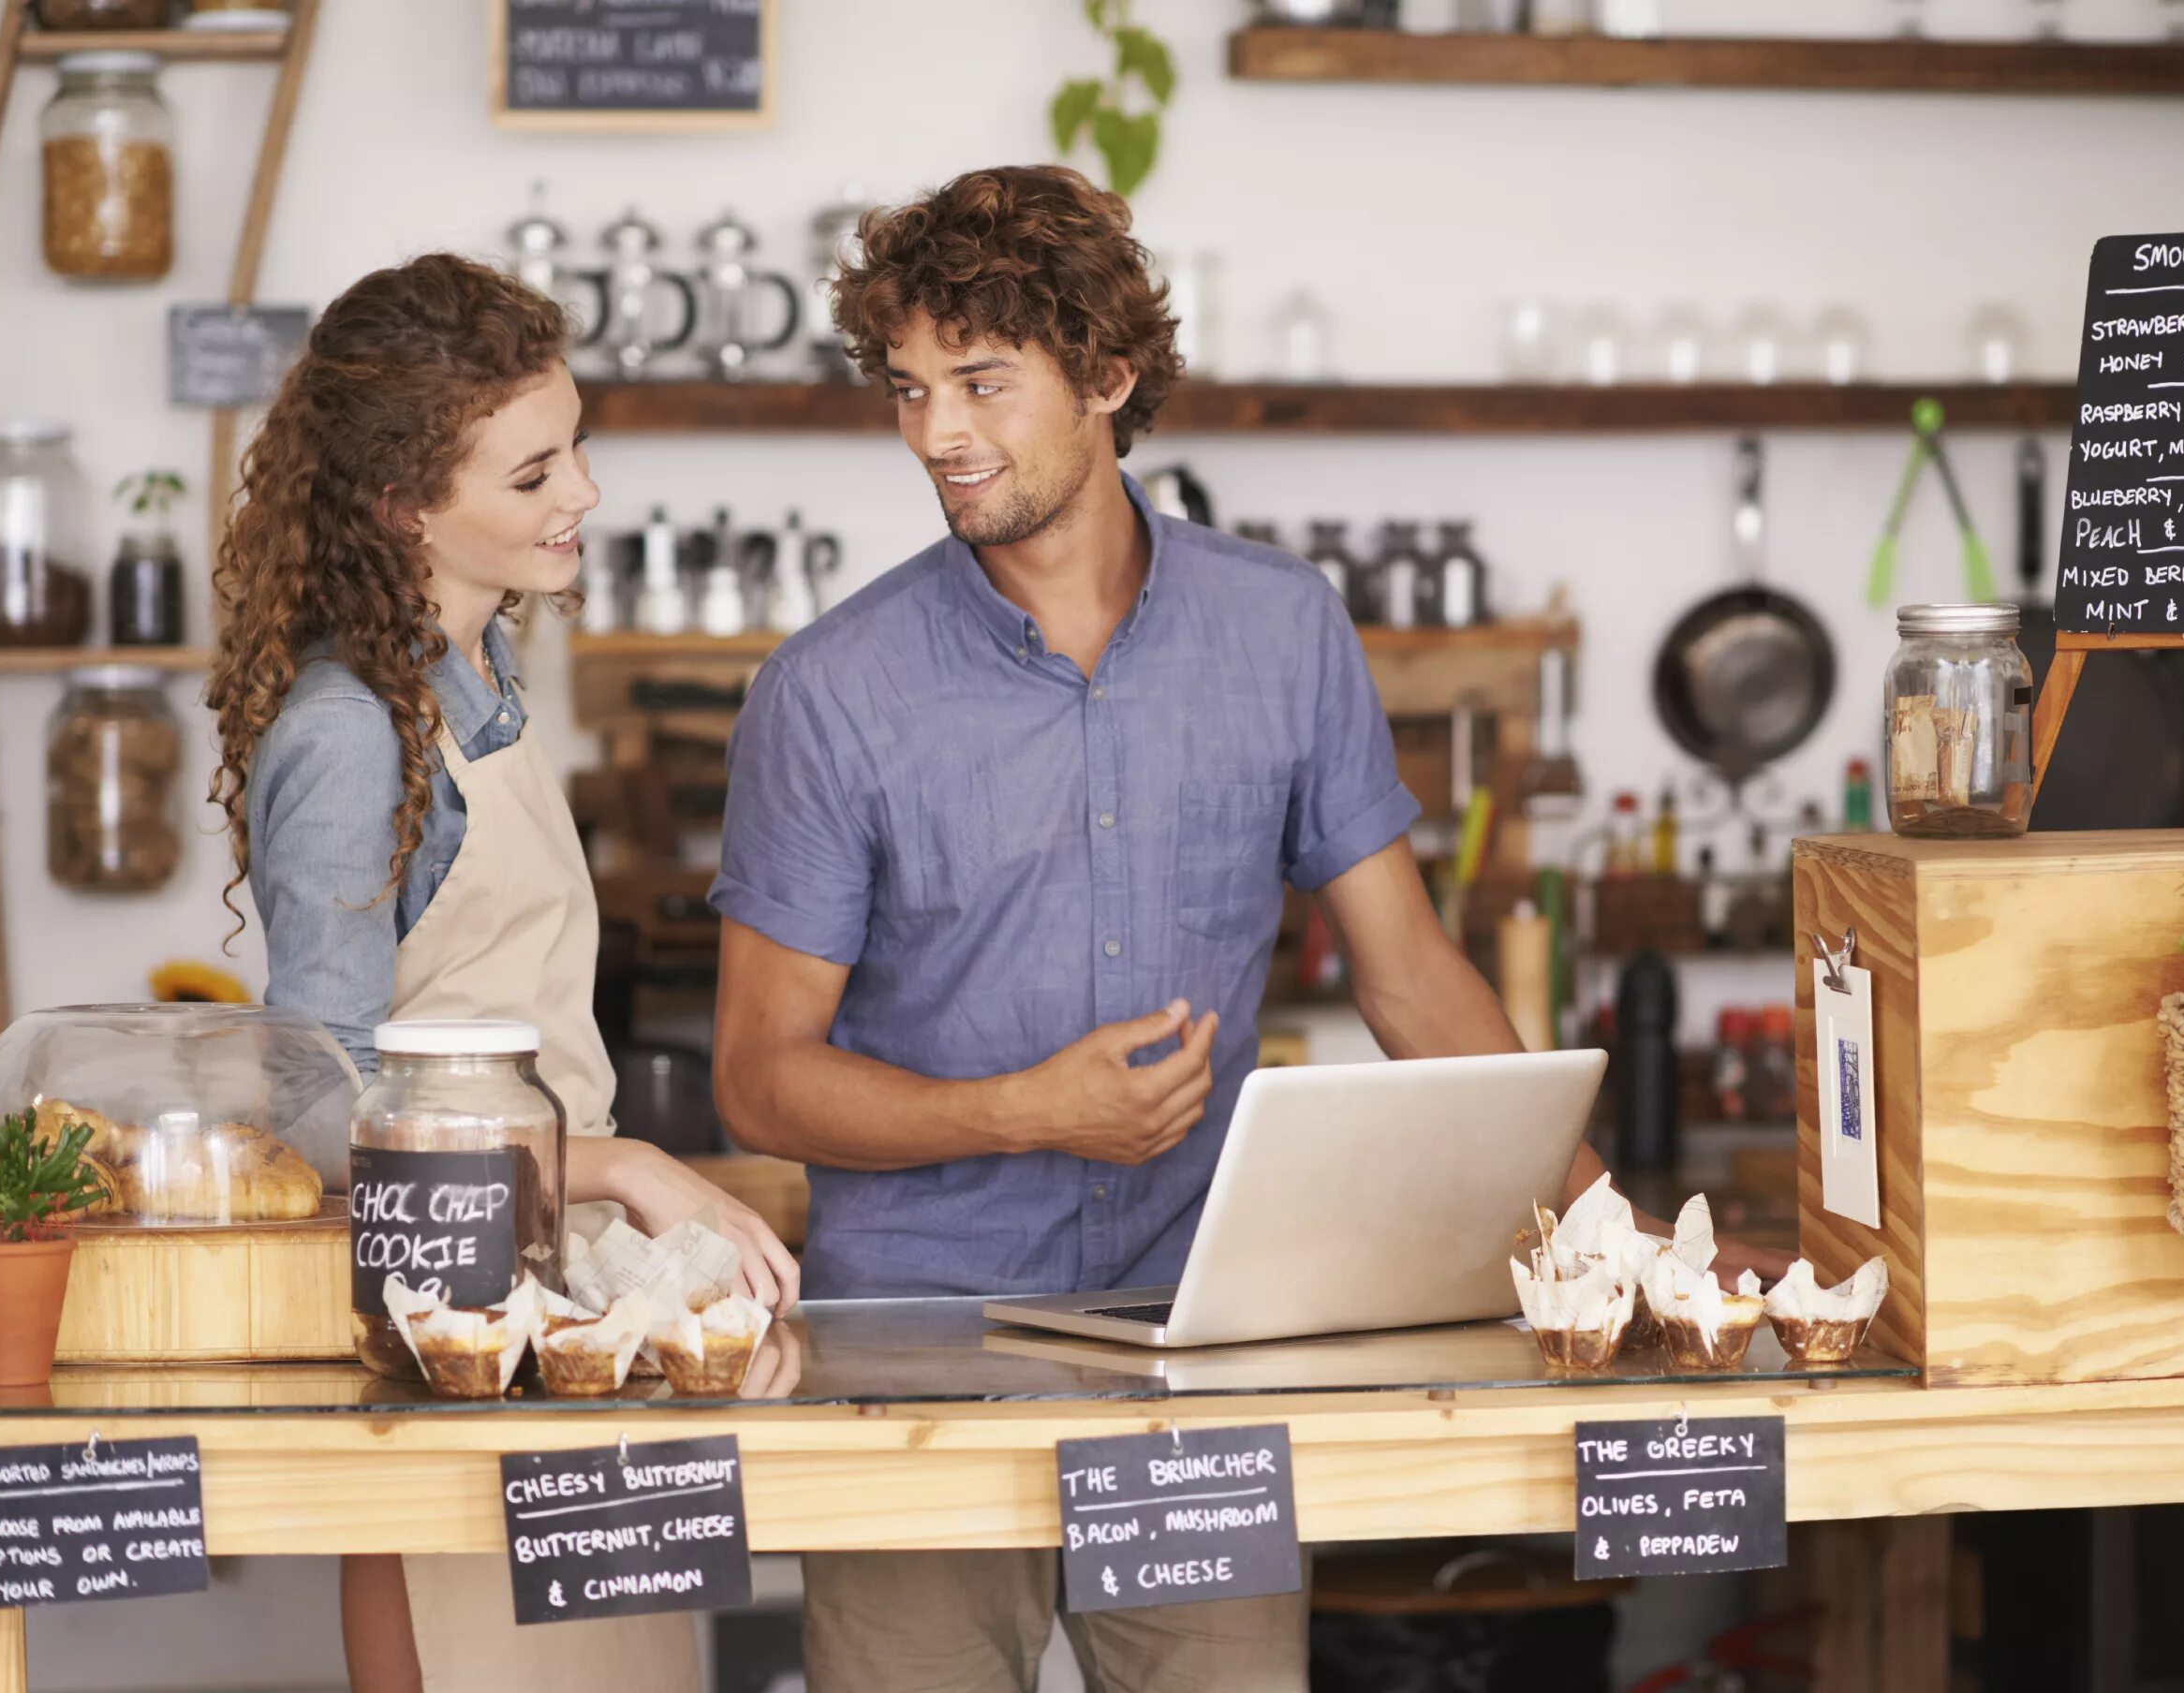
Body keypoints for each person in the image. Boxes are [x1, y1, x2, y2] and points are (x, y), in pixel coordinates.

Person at [706, 166, 1784, 1693]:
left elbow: (1409, 975)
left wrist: (1620, 1244)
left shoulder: (1281, 630)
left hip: (1197, 1338)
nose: (936, 433)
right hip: (916, 1354)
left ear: (1109, 377)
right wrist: (1026, 1111)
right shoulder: (828, 692)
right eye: (908, 386)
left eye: (983, 382)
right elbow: (758, 1076)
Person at [205, 252, 798, 1693]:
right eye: (533, 474)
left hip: (551, 1309)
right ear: (410, 502)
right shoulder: (356, 736)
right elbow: (319, 1104)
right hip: (460, 1322)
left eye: (576, 444)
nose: (581, 493)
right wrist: (618, 1164)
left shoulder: (474, 690)